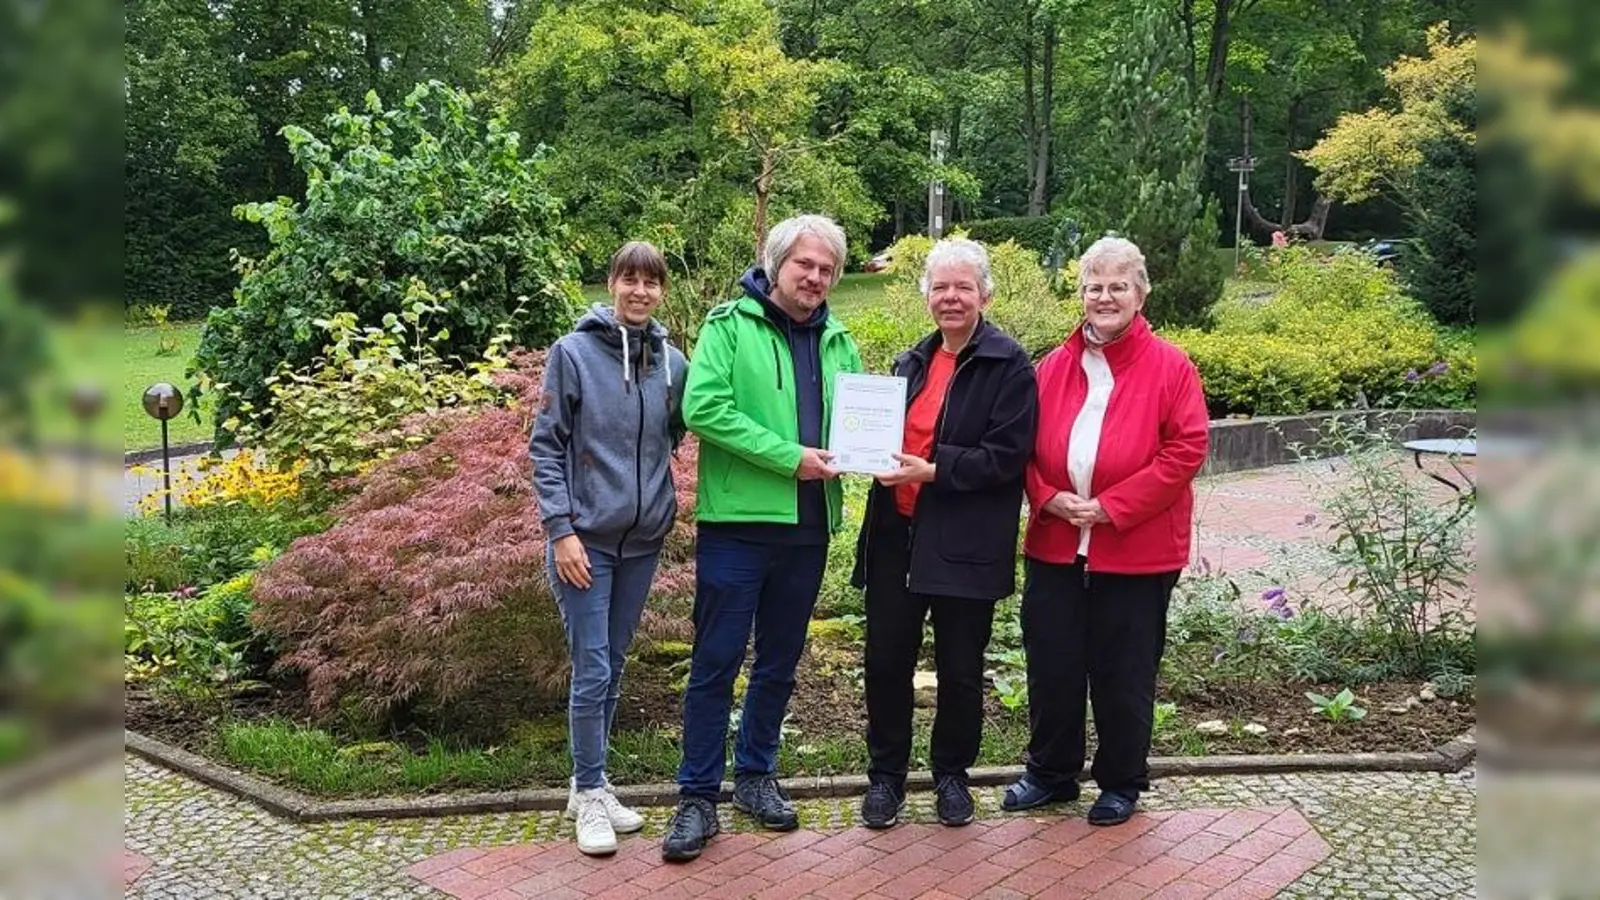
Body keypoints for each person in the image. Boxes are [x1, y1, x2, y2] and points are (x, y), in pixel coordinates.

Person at [661, 214, 863, 862]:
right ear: (777, 263)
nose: (817, 278)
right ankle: (696, 795)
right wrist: (789, 456)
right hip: (739, 527)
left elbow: (861, 419)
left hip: (808, 528)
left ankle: (754, 776)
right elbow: (704, 409)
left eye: (828, 269)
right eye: (807, 265)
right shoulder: (727, 328)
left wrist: (871, 452)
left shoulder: (840, 340)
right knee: (716, 661)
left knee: (778, 663)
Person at [1002, 236, 1209, 826]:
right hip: (1057, 542)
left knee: (1124, 671)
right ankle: (1050, 773)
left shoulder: (1171, 365)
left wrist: (1111, 506)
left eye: (1118, 286)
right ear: (1081, 293)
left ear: (1140, 294)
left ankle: (1120, 781)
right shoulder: (1052, 366)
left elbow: (1186, 448)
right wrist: (1047, 496)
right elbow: (1023, 448)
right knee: (1053, 664)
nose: (1105, 296)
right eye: (1094, 286)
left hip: (1136, 548)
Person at [850, 238, 1037, 829]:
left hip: (964, 543)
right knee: (885, 664)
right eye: (940, 287)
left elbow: (1007, 457)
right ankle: (886, 779)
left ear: (984, 293)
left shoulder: (1010, 365)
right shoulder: (910, 362)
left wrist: (934, 470)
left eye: (962, 287)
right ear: (925, 295)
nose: (950, 297)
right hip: (895, 537)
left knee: (960, 668)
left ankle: (952, 776)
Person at [529, 241, 688, 856]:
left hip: (643, 542)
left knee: (614, 663)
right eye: (630, 279)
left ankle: (586, 784)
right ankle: (590, 790)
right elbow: (545, 447)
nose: (640, 291)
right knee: (591, 665)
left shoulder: (672, 363)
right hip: (584, 541)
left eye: (651, 282)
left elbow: (681, 427)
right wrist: (560, 530)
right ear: (611, 283)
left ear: (661, 292)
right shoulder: (571, 355)